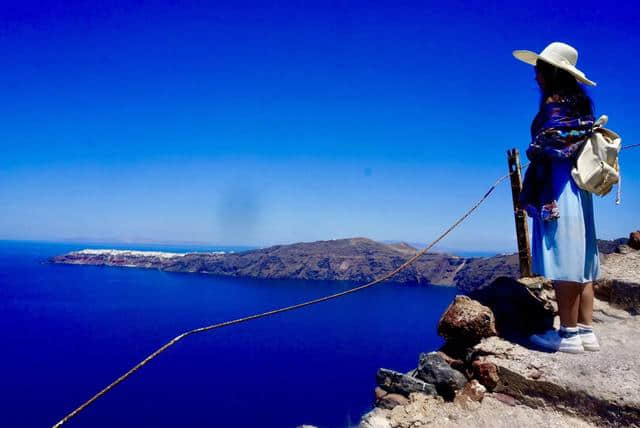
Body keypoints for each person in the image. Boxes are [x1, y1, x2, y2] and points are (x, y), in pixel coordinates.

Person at [513, 42, 601, 353]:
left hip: (557, 188)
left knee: (565, 258)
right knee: (583, 258)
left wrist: (534, 150)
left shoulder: (553, 109)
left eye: (539, 70)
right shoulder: (581, 109)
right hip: (579, 189)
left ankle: (567, 335)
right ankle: (586, 331)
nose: (535, 76)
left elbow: (545, 148)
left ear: (551, 73)